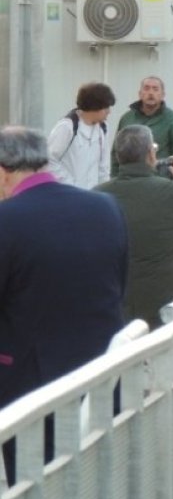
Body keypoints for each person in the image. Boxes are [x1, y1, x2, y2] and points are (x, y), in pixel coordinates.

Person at [0, 126, 128, 408]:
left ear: (3, 171)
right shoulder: (105, 207)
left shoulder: (6, 219)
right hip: (103, 376)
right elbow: (118, 286)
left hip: (30, 390)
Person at [96, 125, 173, 326]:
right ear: (150, 154)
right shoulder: (171, 191)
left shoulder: (98, 196)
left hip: (119, 311)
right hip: (171, 312)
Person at [46, 82, 115, 189]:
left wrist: (103, 193)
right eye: (106, 108)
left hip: (93, 197)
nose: (109, 112)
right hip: (69, 195)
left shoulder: (103, 128)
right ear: (95, 106)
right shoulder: (67, 127)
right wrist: (70, 184)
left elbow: (104, 168)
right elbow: (49, 160)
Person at [114, 76, 173, 173]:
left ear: (162, 95)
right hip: (129, 178)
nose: (151, 93)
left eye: (155, 89)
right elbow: (116, 151)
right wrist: (115, 177)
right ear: (140, 94)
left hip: (160, 181)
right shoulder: (127, 119)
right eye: (146, 88)